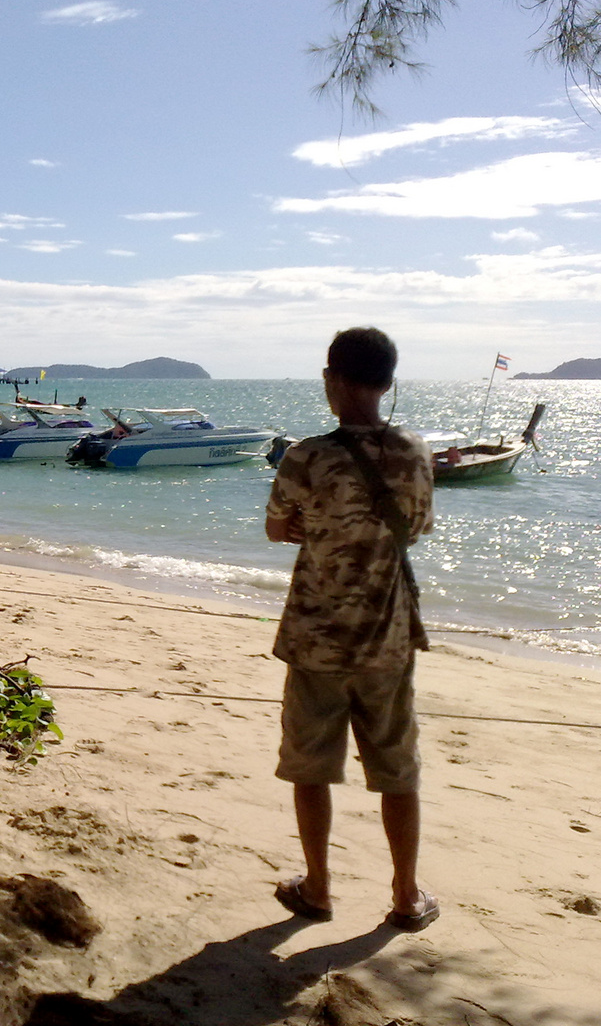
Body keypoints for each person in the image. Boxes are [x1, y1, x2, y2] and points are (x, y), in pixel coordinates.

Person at [265, 327, 439, 932]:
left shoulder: (306, 456)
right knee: (398, 767)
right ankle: (407, 895)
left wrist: (311, 528)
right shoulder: (415, 452)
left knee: (311, 765)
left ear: (330, 380)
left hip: (316, 635)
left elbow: (276, 525)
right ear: (388, 384)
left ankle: (317, 888)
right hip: (387, 637)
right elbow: (415, 528)